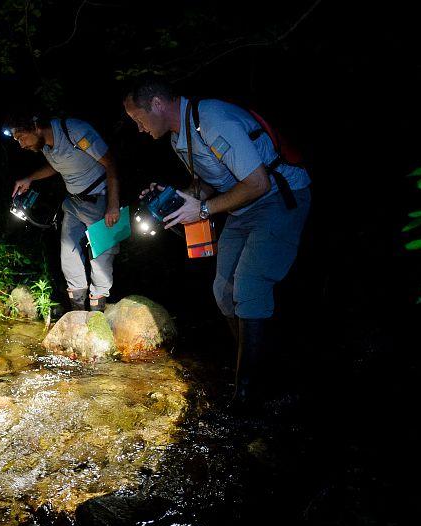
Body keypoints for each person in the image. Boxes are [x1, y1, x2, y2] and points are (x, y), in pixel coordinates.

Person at [123, 77, 311, 410]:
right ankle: (257, 370)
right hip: (242, 207)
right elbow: (209, 182)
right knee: (224, 290)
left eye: (138, 119)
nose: (139, 128)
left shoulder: (212, 119)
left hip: (278, 198)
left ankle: (248, 395)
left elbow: (258, 182)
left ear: (157, 104)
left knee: (250, 286)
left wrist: (203, 209)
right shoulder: (178, 137)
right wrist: (178, 199)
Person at [8, 112, 121, 312]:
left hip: (99, 199)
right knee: (68, 255)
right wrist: (30, 178)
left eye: (21, 138)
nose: (21, 145)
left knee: (101, 258)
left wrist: (113, 204)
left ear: (36, 127)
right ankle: (77, 311)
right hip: (73, 202)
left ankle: (97, 314)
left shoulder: (75, 132)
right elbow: (56, 166)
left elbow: (110, 163)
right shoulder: (45, 145)